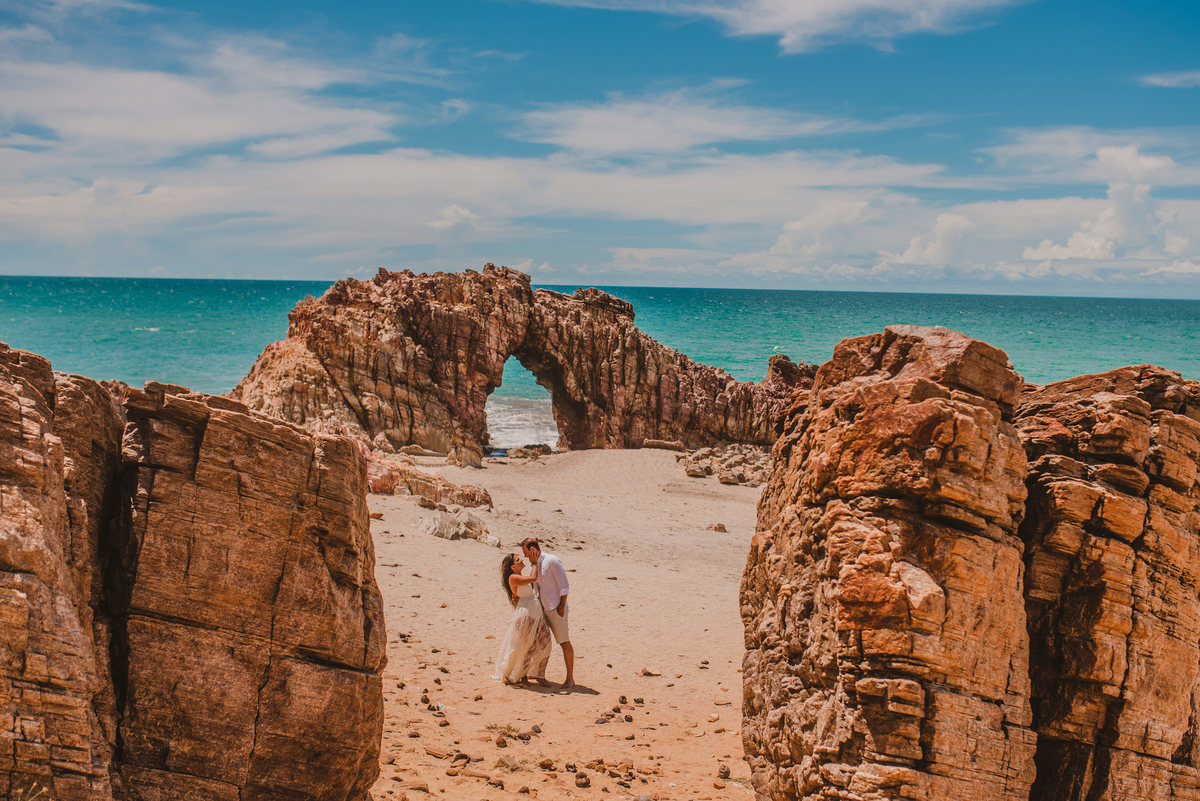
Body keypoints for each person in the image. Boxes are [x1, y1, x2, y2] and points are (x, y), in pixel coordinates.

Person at [521, 537, 574, 689]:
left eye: (525, 552)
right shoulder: (534, 565)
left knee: (564, 642)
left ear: (532, 550)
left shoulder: (552, 561)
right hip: (541, 609)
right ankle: (537, 674)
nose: (524, 556)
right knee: (537, 642)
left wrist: (562, 606)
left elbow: (564, 585)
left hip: (556, 609)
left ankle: (570, 679)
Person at [493, 553, 553, 686]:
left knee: (544, 644)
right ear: (513, 567)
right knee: (528, 647)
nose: (521, 560)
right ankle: (527, 675)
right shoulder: (513, 577)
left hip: (534, 613)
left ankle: (537, 674)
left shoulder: (519, 577)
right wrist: (534, 563)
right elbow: (533, 578)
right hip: (526, 615)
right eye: (518, 560)